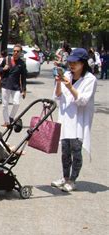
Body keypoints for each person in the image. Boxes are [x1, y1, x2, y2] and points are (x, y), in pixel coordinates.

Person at [51, 48, 96, 192]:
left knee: (76, 150)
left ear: (83, 63)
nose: (72, 65)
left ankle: (72, 179)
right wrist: (58, 83)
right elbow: (57, 96)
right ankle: (64, 177)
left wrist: (69, 87)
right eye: (70, 62)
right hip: (65, 118)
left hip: (79, 120)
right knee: (65, 151)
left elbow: (82, 100)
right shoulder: (67, 75)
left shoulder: (90, 79)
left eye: (75, 62)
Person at [0, 44, 27, 127]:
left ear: (21, 53)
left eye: (18, 51)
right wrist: (3, 69)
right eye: (14, 51)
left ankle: (11, 118)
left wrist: (24, 89)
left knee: (16, 103)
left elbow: (24, 78)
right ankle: (7, 122)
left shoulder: (22, 63)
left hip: (16, 86)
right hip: (6, 84)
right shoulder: (7, 59)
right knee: (4, 105)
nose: (16, 52)